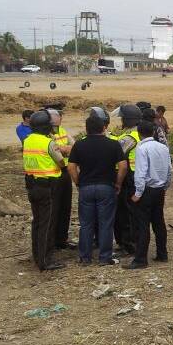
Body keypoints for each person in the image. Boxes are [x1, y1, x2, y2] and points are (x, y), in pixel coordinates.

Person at [67, 111, 127, 266]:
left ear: (86, 129)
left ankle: (85, 257)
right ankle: (105, 257)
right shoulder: (113, 144)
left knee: (86, 224)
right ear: (104, 128)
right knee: (106, 223)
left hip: (86, 187)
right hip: (106, 187)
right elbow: (123, 166)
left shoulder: (79, 145)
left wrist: (78, 182)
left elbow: (71, 166)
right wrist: (118, 183)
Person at [22, 110, 65, 271]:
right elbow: (60, 161)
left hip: (32, 184)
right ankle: (45, 260)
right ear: (46, 126)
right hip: (48, 186)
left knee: (38, 221)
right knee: (48, 223)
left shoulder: (28, 140)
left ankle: (37, 255)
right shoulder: (48, 143)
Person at [127, 120, 172, 269]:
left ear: (139, 133)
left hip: (147, 190)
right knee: (159, 222)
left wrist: (138, 193)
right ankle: (162, 253)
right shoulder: (163, 147)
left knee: (143, 224)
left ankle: (140, 259)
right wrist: (165, 186)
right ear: (153, 132)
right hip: (159, 189)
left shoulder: (142, 148)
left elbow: (140, 173)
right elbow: (169, 169)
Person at [115, 104, 143, 255]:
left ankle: (128, 245)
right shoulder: (139, 134)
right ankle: (135, 242)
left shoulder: (129, 137)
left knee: (126, 212)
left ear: (127, 120)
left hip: (129, 178)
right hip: (138, 176)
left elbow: (116, 153)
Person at [47, 108, 76, 250]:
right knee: (54, 209)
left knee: (65, 207)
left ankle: (61, 239)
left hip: (65, 172)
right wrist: (66, 149)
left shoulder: (62, 131)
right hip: (53, 174)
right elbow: (56, 152)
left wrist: (64, 149)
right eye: (58, 117)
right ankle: (51, 241)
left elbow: (75, 147)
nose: (60, 119)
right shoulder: (46, 134)